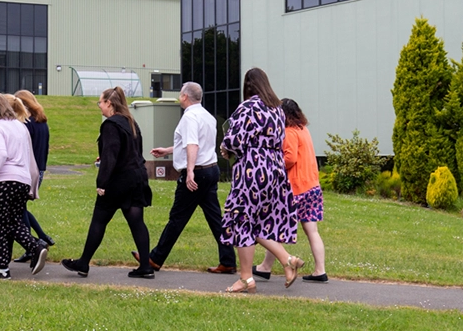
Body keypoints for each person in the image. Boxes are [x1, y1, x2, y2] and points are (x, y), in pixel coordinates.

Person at [217, 68, 302, 293]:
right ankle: (287, 260)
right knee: (260, 221)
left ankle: (246, 278)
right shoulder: (277, 110)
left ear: (248, 85)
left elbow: (234, 139)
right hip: (274, 168)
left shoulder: (248, 107)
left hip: (252, 169)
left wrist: (225, 149)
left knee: (241, 219)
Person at [61, 86, 154, 279]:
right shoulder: (131, 122)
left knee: (99, 219)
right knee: (137, 223)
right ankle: (146, 266)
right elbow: (133, 150)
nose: (99, 107)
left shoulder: (111, 125)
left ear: (109, 103)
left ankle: (83, 262)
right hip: (137, 177)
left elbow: (111, 156)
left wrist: (101, 182)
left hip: (119, 181)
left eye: (100, 102)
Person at [145, 82, 237, 274]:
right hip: (211, 170)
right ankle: (228, 260)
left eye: (180, 95)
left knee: (177, 217)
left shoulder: (189, 117)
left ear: (185, 96)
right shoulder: (208, 117)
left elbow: (193, 145)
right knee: (215, 219)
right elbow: (196, 144)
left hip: (197, 172)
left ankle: (155, 258)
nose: (179, 98)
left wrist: (190, 171)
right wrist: (169, 150)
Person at [255, 98, 328, 283]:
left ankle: (266, 267)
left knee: (274, 226)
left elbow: (290, 158)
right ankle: (320, 270)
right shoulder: (303, 129)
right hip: (312, 186)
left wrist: (271, 164)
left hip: (295, 189)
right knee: (312, 231)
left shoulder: (288, 132)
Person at [0, 92, 47, 279]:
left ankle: (29, 250)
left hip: (3, 181)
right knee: (14, 221)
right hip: (21, 181)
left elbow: (1, 154)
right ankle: (9, 262)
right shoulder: (20, 126)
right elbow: (26, 155)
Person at [13, 90, 56, 263]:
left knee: (19, 208)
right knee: (21, 206)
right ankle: (42, 238)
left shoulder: (26, 124)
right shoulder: (42, 123)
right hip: (39, 170)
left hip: (27, 170)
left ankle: (34, 245)